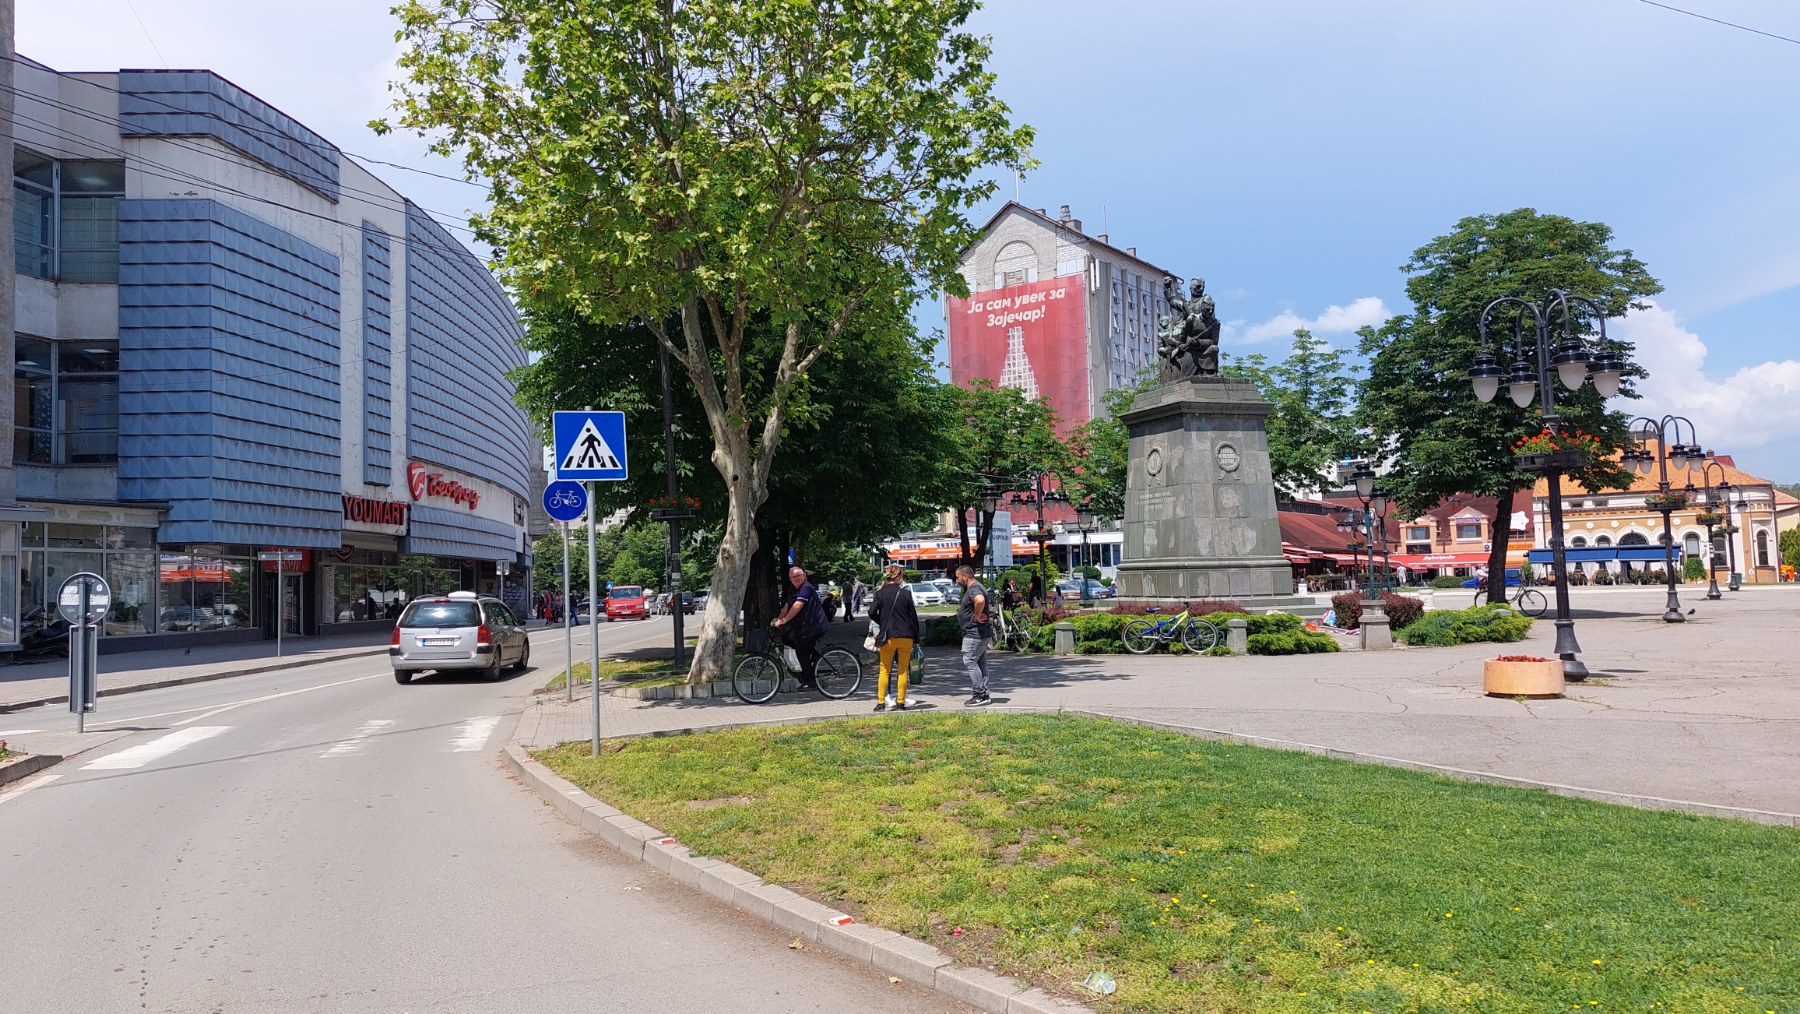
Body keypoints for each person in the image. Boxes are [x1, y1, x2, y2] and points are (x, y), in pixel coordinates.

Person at [867, 565, 920, 711]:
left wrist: (881, 622)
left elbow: (871, 611)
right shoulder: (905, 594)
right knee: (903, 670)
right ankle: (901, 702)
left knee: (884, 669)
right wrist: (916, 639)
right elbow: (913, 618)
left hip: (887, 636)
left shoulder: (880, 593)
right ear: (899, 577)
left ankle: (880, 702)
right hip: (906, 636)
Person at [772, 565, 829, 686]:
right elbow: (787, 606)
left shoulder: (806, 588)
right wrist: (778, 619)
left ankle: (810, 680)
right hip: (803, 627)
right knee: (787, 638)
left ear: (804, 576)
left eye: (798, 576)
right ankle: (812, 658)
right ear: (790, 579)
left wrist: (783, 621)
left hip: (814, 626)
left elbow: (798, 605)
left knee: (801, 651)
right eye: (793, 577)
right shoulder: (794, 589)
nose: (796, 578)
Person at [954, 564, 993, 707]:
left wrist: (976, 614)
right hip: (981, 632)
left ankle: (980, 694)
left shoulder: (974, 588)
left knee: (969, 661)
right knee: (980, 662)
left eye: (958, 577)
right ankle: (984, 693)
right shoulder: (978, 586)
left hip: (974, 633)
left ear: (965, 576)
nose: (956, 581)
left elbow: (980, 600)